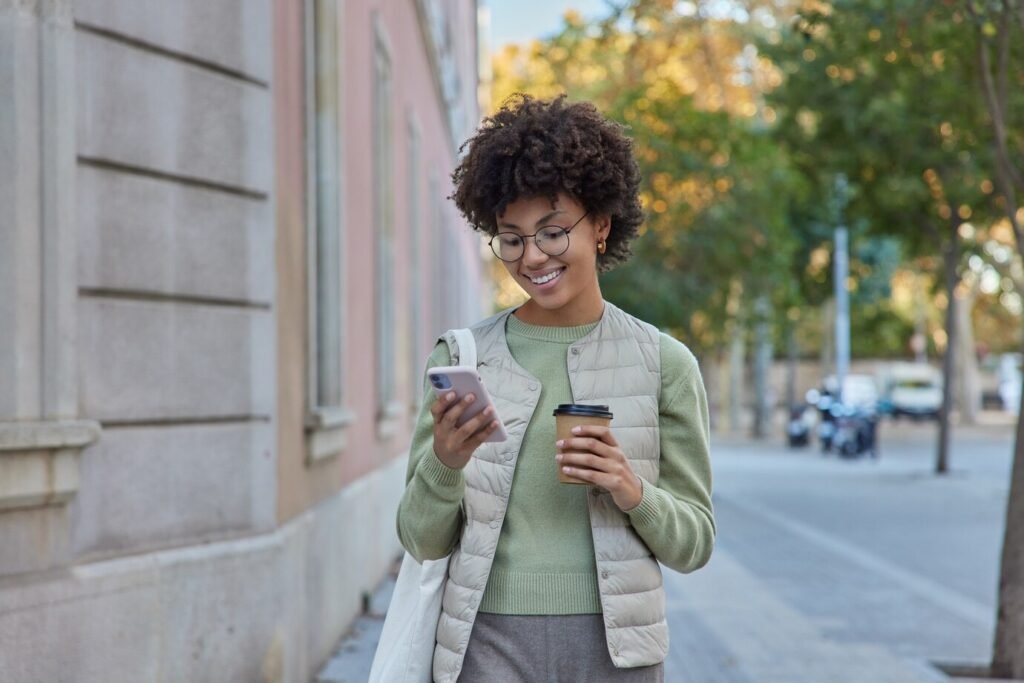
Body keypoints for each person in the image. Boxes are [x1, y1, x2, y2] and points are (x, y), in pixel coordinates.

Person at [396, 94, 715, 683]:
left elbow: (694, 543)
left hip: (617, 650)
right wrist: (445, 462)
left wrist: (629, 487)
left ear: (600, 225)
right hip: (483, 642)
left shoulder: (664, 364)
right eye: (511, 238)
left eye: (551, 232)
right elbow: (420, 538)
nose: (531, 257)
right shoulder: (463, 358)